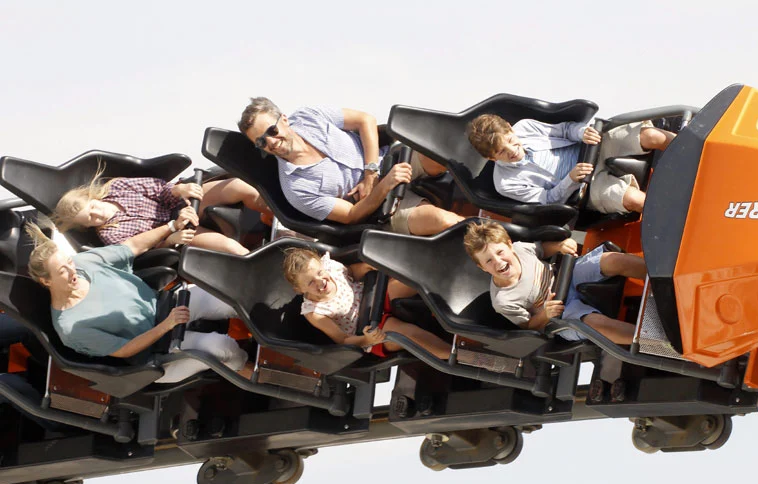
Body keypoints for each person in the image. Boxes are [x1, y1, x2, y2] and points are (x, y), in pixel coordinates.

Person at [25, 223, 249, 384]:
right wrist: (166, 326)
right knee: (221, 348)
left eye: (69, 262)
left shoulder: (84, 263)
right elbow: (124, 350)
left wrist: (171, 227)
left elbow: (131, 247)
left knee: (232, 295)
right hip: (159, 352)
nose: (72, 270)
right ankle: (252, 373)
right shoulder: (72, 326)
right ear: (46, 281)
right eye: (62, 271)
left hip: (165, 306)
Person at [238, 97, 464, 235]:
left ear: (284, 120)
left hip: (389, 160)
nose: (271, 142)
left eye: (271, 131)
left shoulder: (308, 116)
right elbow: (351, 215)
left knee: (444, 152)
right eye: (261, 142)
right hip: (381, 206)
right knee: (445, 223)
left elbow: (365, 120)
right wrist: (383, 185)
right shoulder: (295, 189)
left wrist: (371, 172)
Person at [463, 220, 646, 345]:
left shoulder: (521, 249)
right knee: (595, 325)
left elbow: (542, 249)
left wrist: (560, 246)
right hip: (560, 312)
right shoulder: (503, 301)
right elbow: (529, 327)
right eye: (488, 261)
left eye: (500, 252)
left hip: (566, 275)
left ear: (510, 245)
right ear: (482, 268)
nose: (498, 262)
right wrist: (545, 314)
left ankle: (662, 278)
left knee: (612, 260)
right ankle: (652, 341)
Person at [466, 114, 676, 214]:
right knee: (633, 199)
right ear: (492, 159)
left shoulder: (526, 126)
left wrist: (581, 132)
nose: (512, 151)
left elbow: (565, 130)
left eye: (511, 141)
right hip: (585, 185)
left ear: (511, 129)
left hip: (593, 147)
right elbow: (547, 200)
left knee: (651, 135)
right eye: (502, 152)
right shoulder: (505, 183)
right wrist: (571, 179)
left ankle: (699, 150)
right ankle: (677, 215)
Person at [51, 166, 271, 255]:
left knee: (237, 186)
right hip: (174, 231)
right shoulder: (110, 234)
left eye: (92, 208)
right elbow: (149, 246)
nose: (96, 215)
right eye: (90, 219)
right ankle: (259, 260)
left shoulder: (116, 187)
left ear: (92, 197)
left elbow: (157, 188)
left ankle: (277, 216)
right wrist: (171, 236)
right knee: (228, 248)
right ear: (87, 226)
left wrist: (180, 190)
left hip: (179, 203)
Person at [283, 248, 450, 359]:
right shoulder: (315, 312)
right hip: (370, 327)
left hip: (375, 296)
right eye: (311, 283)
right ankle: (460, 355)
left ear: (322, 264)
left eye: (320, 273)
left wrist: (367, 266)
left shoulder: (331, 267)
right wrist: (366, 339)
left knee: (414, 279)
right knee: (408, 335)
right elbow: (343, 340)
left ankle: (455, 284)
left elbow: (352, 273)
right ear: (299, 289)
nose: (320, 281)